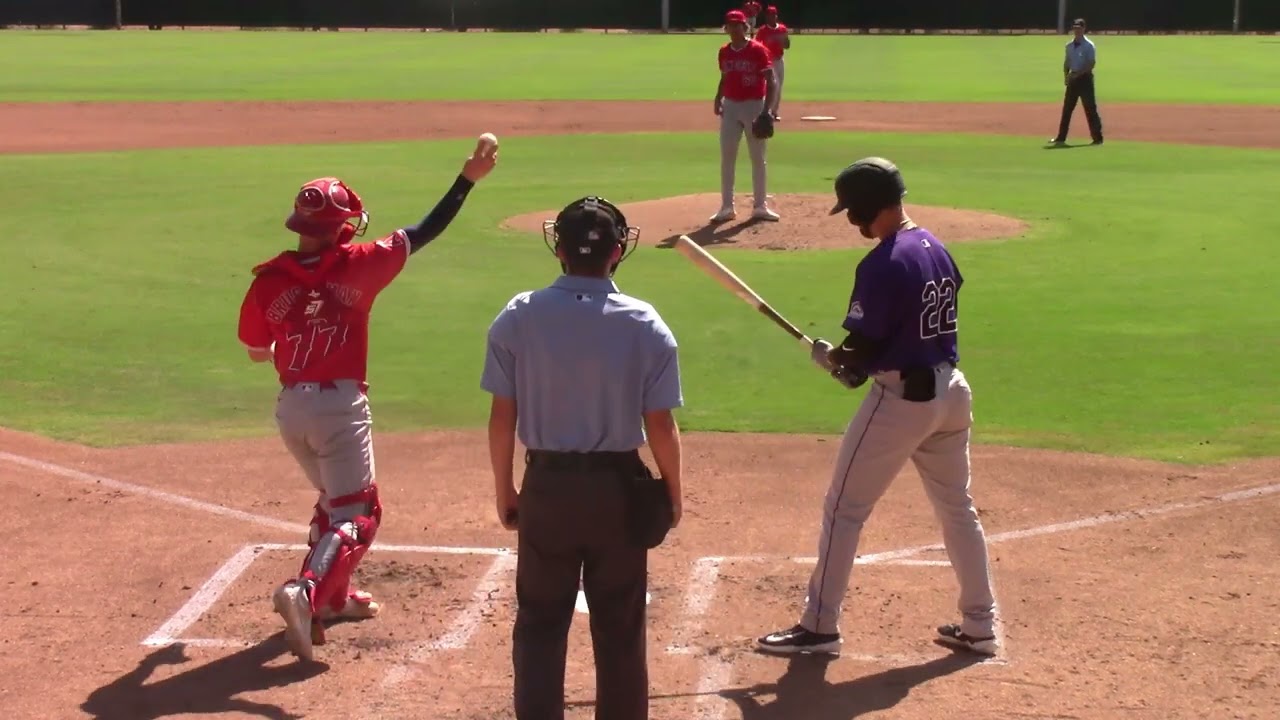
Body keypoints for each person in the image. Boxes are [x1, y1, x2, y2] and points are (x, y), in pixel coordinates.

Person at [237, 137, 499, 662]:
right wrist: (467, 179)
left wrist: (296, 332)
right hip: (339, 410)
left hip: (292, 413)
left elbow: (254, 351)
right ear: (340, 228)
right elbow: (425, 230)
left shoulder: (267, 281)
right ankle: (307, 592)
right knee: (360, 512)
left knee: (333, 502)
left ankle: (335, 598)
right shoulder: (362, 262)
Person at [755, 157, 1000, 658]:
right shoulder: (935, 246)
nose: (851, 220)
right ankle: (980, 625)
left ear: (866, 207)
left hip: (902, 404)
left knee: (844, 509)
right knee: (958, 509)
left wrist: (834, 359)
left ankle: (819, 626)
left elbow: (861, 356)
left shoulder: (884, 262)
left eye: (852, 210)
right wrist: (848, 359)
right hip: (951, 392)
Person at [482, 196, 685, 720]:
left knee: (540, 623)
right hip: (618, 494)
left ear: (559, 250)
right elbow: (660, 424)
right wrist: (672, 493)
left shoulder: (519, 315)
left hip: (547, 490)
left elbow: (502, 418)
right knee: (619, 626)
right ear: (618, 251)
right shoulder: (644, 322)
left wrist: (506, 492)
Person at [712, 9, 780, 224]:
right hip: (730, 106)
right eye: (730, 25)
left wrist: (766, 110)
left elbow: (772, 82)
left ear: (745, 27)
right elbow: (725, 77)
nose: (734, 29)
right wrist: (717, 98)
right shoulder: (724, 51)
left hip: (753, 105)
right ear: (727, 28)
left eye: (738, 25)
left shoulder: (758, 51)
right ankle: (726, 207)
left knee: (758, 158)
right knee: (727, 157)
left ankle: (760, 206)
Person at [1049, 18, 1104, 146]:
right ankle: (1061, 137)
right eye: (1075, 28)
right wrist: (1066, 76)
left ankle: (1097, 138)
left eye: (1079, 28)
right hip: (1072, 79)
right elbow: (1067, 62)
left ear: (1084, 29)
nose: (1077, 30)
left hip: (1085, 79)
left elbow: (1091, 64)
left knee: (1090, 108)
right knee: (1067, 109)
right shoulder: (1069, 46)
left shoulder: (1089, 45)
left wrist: (1078, 75)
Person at [753, 5, 791, 121]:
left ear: (776, 16)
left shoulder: (782, 29)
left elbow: (787, 46)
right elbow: (756, 46)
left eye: (773, 15)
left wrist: (784, 41)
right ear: (766, 17)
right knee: (775, 86)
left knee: (779, 88)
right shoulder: (763, 30)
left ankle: (774, 112)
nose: (771, 17)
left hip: (780, 60)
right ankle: (767, 111)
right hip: (769, 62)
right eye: (769, 15)